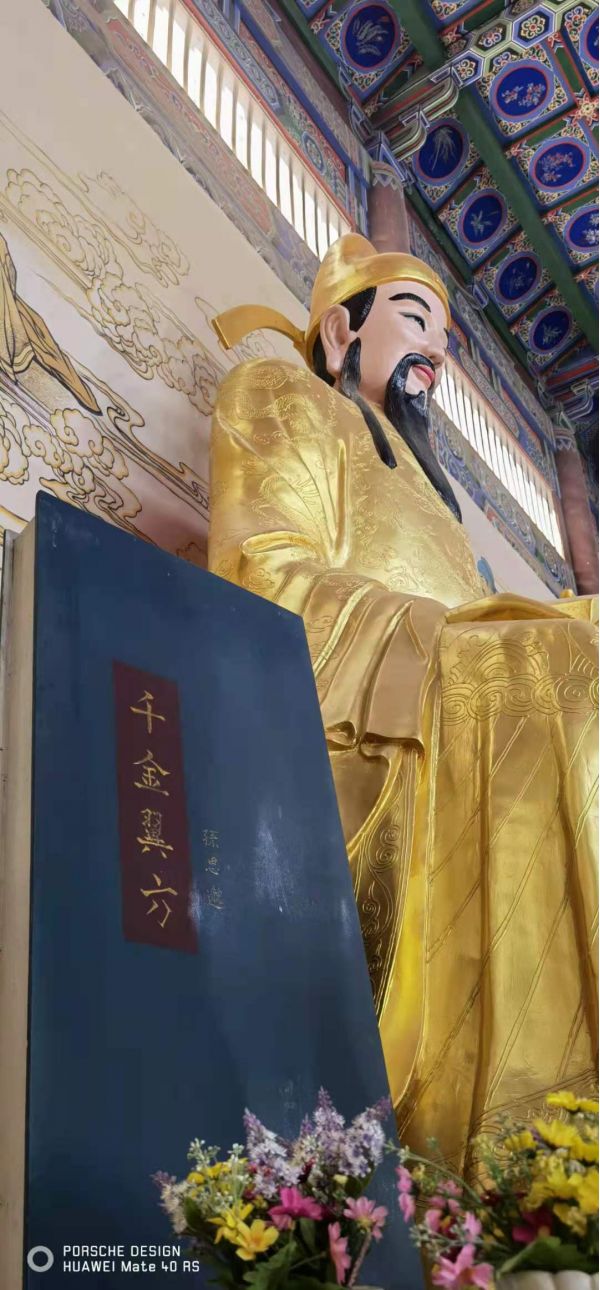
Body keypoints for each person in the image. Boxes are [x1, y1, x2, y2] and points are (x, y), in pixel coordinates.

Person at [208, 234, 598, 1168]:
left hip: (458, 681)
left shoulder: (437, 498)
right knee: (551, 664)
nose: (437, 352)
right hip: (366, 705)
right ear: (342, 330)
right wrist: (441, 640)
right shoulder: (281, 395)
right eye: (415, 320)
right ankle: (523, 1140)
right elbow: (265, 572)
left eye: (446, 338)